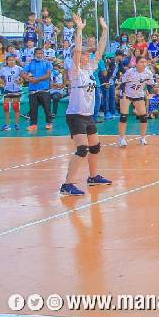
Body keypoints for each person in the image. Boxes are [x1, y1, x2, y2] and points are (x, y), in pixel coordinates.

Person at [59, 14, 111, 196]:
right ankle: (67, 184)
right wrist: (79, 30)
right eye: (85, 54)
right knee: (82, 149)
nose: (87, 55)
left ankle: (93, 177)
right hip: (75, 115)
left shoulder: (89, 69)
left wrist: (105, 30)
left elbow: (100, 51)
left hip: (88, 115)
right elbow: (77, 50)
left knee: (95, 147)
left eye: (89, 54)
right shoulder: (75, 71)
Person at [118, 55, 156, 146]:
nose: (143, 64)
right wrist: (123, 93)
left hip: (138, 95)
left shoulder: (148, 73)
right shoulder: (130, 71)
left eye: (145, 62)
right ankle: (122, 138)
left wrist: (150, 93)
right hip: (127, 94)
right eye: (141, 62)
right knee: (124, 116)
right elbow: (122, 83)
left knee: (143, 116)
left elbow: (150, 85)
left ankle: (142, 138)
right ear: (136, 63)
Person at [22, 47, 54, 132]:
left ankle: (49, 123)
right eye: (37, 53)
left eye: (41, 53)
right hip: (33, 90)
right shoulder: (30, 63)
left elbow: (48, 75)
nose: (39, 55)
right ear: (34, 54)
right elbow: (23, 73)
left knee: (47, 108)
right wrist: (29, 79)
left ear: (43, 54)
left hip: (44, 89)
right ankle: (33, 125)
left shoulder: (47, 63)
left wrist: (37, 79)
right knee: (33, 108)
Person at [0, 54, 23, 131]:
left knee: (16, 107)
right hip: (7, 90)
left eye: (13, 60)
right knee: (6, 107)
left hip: (17, 90)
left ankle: (17, 124)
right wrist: (2, 82)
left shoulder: (19, 68)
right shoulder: (4, 69)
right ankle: (7, 125)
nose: (11, 61)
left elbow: (24, 77)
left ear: (15, 60)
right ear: (7, 61)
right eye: (9, 60)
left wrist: (20, 81)